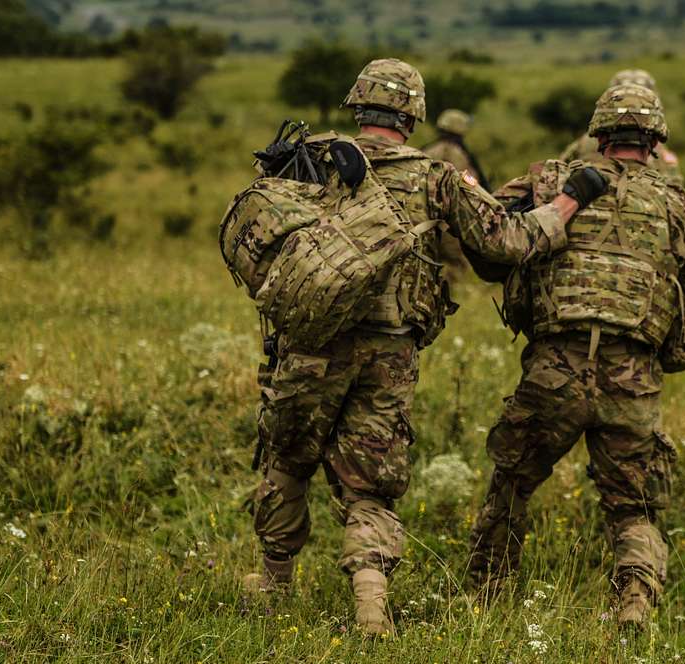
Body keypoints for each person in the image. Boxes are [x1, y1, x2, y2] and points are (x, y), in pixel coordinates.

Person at [241, 58, 606, 636]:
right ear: (413, 114)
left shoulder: (307, 159)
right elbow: (509, 242)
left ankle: (271, 589)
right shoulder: (436, 177)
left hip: (306, 342)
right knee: (371, 479)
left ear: (357, 104)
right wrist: (570, 200)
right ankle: (371, 608)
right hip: (388, 352)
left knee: (287, 459)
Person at [467, 83, 685, 628]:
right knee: (635, 505)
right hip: (634, 371)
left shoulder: (550, 180)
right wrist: (665, 358)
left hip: (556, 361)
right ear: (654, 140)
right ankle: (635, 603)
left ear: (600, 135)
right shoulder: (677, 203)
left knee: (512, 482)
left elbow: (491, 243)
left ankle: (485, 599)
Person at [559, 69, 684, 185]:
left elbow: (561, 175)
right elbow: (676, 193)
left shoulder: (585, 141)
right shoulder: (657, 148)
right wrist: (672, 167)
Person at [422, 109, 491, 276]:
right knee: (460, 266)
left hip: (424, 217)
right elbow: (469, 185)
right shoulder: (457, 153)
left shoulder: (427, 150)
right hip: (451, 219)